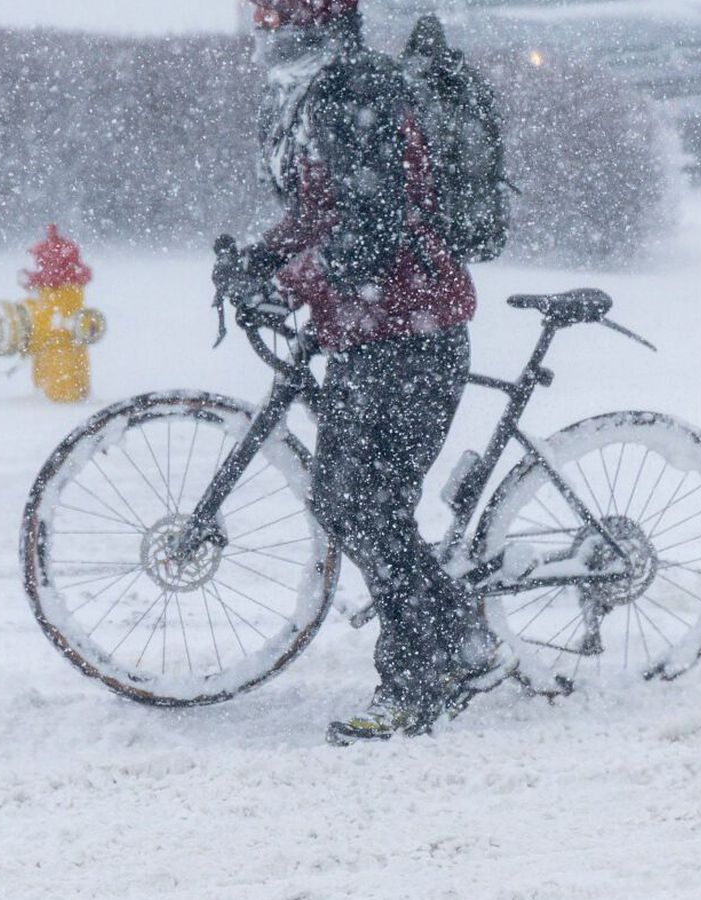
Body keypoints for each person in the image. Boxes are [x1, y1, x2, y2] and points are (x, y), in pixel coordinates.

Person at [218, 0, 513, 745]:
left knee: (361, 505)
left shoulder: (355, 91)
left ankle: (432, 670)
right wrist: (259, 258)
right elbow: (324, 216)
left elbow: (373, 228)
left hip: (409, 334)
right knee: (359, 503)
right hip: (374, 332)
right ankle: (458, 644)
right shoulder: (325, 89)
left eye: (271, 16)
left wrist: (287, 284)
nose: (261, 28)